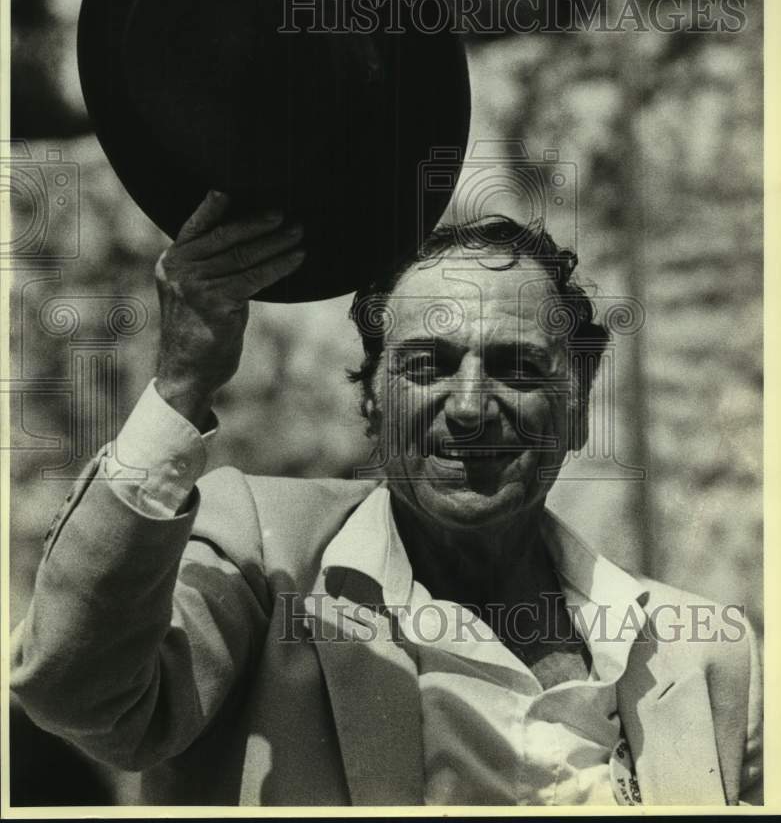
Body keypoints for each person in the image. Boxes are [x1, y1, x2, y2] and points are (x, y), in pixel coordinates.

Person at [10, 193, 762, 807]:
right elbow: (78, 696)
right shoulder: (262, 561)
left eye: (516, 368)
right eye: (426, 366)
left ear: (576, 403)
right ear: (369, 399)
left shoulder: (700, 653)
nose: (469, 407)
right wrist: (181, 385)